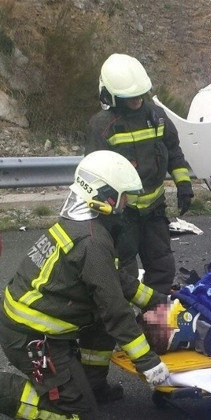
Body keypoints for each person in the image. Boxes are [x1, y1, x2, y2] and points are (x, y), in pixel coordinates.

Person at [0, 151, 170, 420]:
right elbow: (115, 310)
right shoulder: (92, 240)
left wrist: (155, 299)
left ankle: (92, 386)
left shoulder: (79, 224)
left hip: (33, 324)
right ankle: (7, 392)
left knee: (100, 323)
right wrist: (148, 362)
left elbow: (109, 279)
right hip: (32, 339)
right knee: (78, 415)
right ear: (106, 196)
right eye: (123, 197)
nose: (126, 204)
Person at [85, 53, 193, 295]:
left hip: (154, 210)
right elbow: (95, 170)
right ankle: (124, 325)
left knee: (162, 267)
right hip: (123, 215)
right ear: (112, 96)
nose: (136, 101)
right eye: (129, 97)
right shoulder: (102, 126)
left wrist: (184, 185)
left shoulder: (157, 117)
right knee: (122, 272)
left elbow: (174, 152)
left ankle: (157, 322)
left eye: (139, 95)